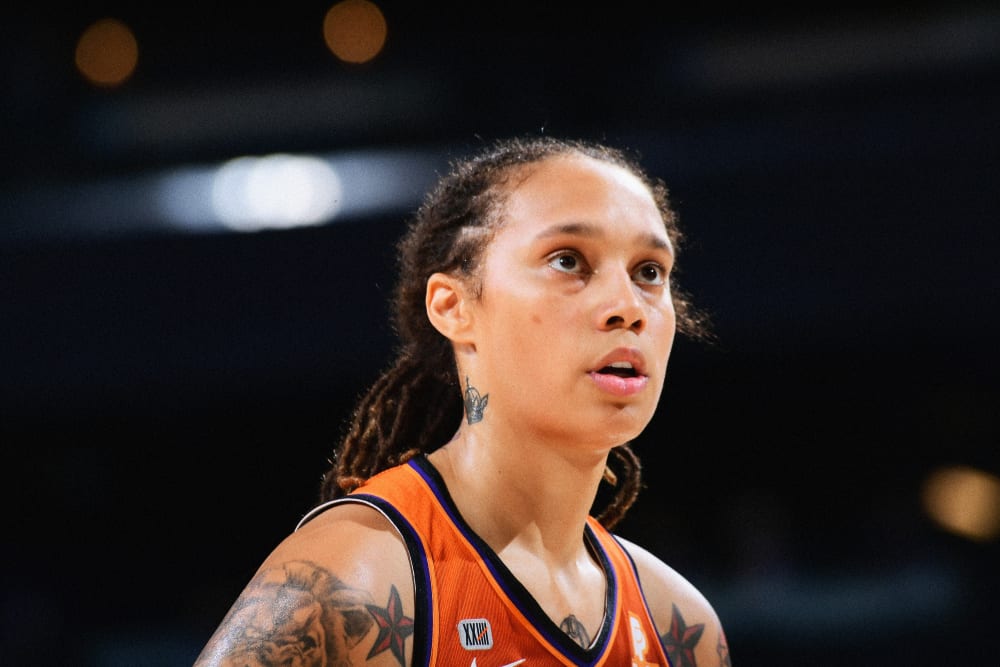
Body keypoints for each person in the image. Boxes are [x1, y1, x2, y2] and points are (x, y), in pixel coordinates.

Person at [194, 135, 731, 666]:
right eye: (568, 260)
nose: (627, 306)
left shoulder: (681, 629)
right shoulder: (354, 582)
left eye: (649, 272)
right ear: (453, 307)